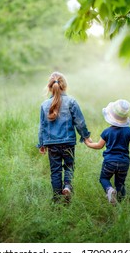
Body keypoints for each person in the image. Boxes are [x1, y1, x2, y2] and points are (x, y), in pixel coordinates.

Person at [85, 99, 130, 205]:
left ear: (110, 116)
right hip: (124, 163)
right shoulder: (128, 131)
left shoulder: (106, 132)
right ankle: (121, 205)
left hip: (109, 162)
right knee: (120, 184)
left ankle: (109, 190)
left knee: (103, 178)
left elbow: (99, 145)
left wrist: (89, 144)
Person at [37, 72, 91, 203]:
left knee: (55, 171)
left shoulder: (44, 105)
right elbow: (80, 122)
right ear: (65, 86)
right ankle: (67, 187)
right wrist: (85, 136)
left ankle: (56, 198)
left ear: (50, 87)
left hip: (52, 144)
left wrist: (41, 144)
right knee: (69, 166)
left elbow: (42, 127)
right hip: (68, 143)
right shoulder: (71, 101)